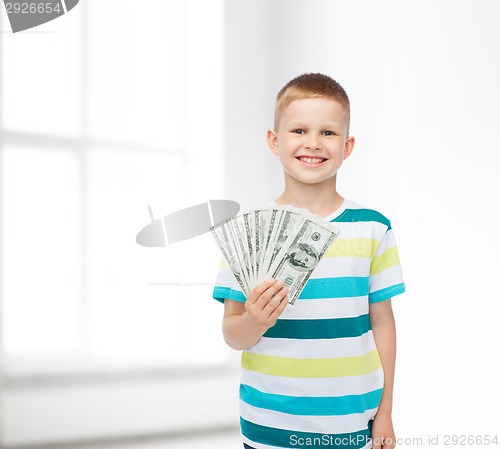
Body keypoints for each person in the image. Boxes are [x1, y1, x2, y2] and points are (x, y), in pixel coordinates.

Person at [212, 73, 406, 449]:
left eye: (328, 133)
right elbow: (232, 335)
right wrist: (253, 321)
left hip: (351, 422)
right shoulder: (248, 233)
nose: (313, 143)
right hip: (268, 422)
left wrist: (385, 413)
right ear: (274, 140)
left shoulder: (372, 228)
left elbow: (383, 323)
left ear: (348, 145)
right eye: (299, 130)